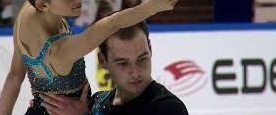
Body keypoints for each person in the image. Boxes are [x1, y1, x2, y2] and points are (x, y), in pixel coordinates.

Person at [0, 0, 192, 115]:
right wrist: (150, 8)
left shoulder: (26, 15)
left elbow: (14, 76)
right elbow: (111, 24)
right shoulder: (59, 51)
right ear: (41, 3)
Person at [40, 21, 189, 115]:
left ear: (150, 49)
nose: (135, 72)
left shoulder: (167, 108)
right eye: (123, 63)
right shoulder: (96, 102)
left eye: (142, 59)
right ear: (103, 60)